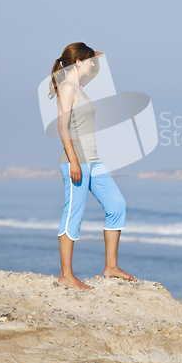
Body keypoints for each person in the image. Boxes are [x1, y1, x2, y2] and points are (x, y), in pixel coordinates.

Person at [48, 42, 136, 290]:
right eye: (87, 61)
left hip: (94, 161)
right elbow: (62, 127)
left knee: (116, 204)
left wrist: (94, 55)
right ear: (78, 62)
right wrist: (74, 160)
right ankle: (66, 275)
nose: (91, 65)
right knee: (73, 216)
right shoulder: (67, 88)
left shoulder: (79, 86)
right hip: (76, 162)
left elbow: (96, 69)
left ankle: (111, 267)